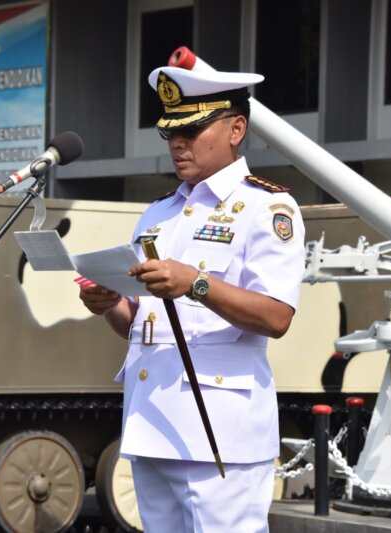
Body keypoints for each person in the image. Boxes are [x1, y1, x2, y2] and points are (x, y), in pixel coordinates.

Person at [79, 63, 305, 532]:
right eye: (170, 132)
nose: (178, 143)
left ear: (236, 129)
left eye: (192, 129)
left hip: (217, 428)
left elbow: (277, 316)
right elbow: (141, 320)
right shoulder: (159, 212)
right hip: (152, 420)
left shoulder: (267, 208)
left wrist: (196, 283)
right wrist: (111, 305)